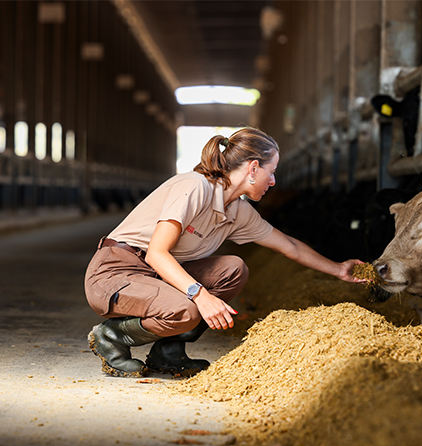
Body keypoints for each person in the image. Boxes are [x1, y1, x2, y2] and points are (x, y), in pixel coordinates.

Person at [84, 127, 365, 378]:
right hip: (117, 271)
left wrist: (338, 269)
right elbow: (157, 253)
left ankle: (168, 352)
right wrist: (201, 296)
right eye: (272, 171)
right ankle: (111, 336)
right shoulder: (195, 187)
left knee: (233, 269)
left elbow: (289, 246)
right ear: (253, 168)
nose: (274, 181)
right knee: (185, 310)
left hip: (157, 276)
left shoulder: (237, 211)